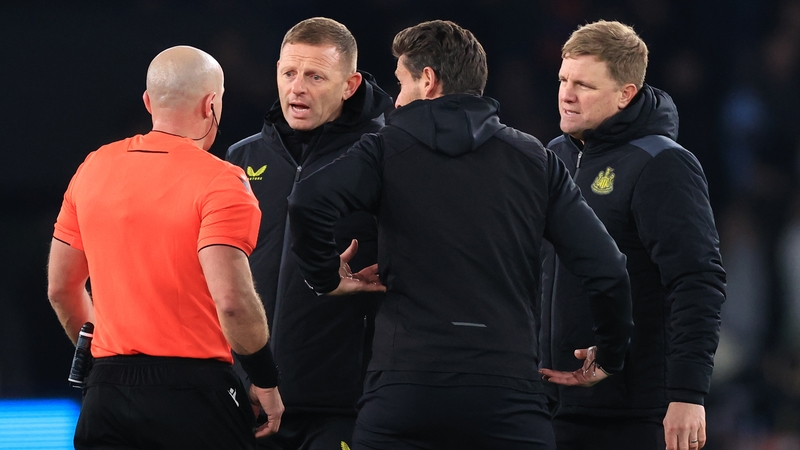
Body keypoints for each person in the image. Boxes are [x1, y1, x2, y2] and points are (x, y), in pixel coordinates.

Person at [286, 20, 634, 450]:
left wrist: (326, 277)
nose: (395, 100)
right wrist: (611, 354)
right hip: (508, 396)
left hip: (404, 391)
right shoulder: (536, 160)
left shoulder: (384, 148)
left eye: (401, 83)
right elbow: (608, 269)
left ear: (428, 81)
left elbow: (306, 202)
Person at [47, 45, 284, 450]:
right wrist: (264, 379)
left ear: (148, 101)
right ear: (212, 104)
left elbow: (61, 289)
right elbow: (232, 301)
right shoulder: (221, 181)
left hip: (105, 396)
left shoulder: (93, 168)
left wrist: (107, 363)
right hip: (193, 397)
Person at [538, 20, 726, 450]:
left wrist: (686, 394)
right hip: (553, 407)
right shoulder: (553, 156)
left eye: (584, 84)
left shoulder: (662, 164)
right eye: (564, 78)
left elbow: (697, 281)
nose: (566, 93)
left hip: (635, 415)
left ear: (625, 94)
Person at [225, 17, 392, 450]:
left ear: (350, 85)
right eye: (289, 73)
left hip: (342, 408)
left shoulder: (384, 158)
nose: (296, 88)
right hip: (251, 398)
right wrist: (245, 375)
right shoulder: (242, 157)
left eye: (315, 76)